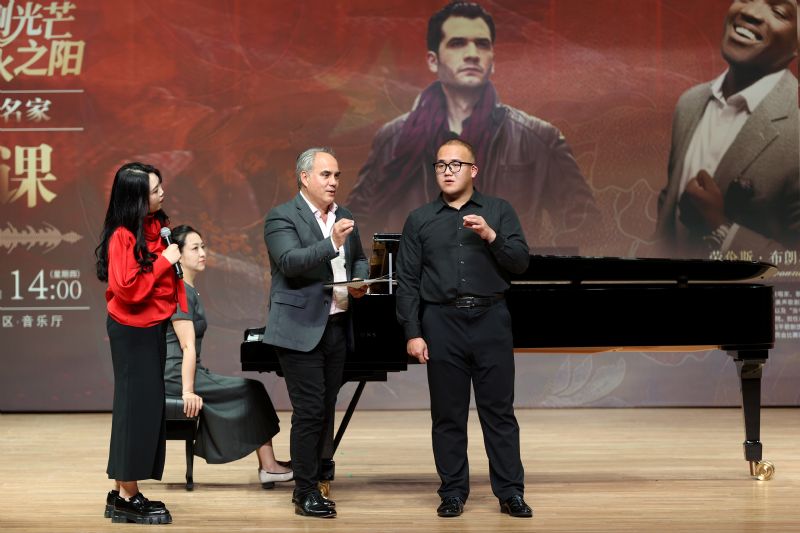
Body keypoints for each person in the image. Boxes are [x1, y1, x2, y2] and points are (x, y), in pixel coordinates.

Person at [348, 1, 598, 249]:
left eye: (482, 44)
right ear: (433, 60)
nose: (472, 53)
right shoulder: (392, 139)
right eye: (457, 43)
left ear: (493, 60)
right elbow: (358, 225)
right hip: (419, 271)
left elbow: (587, 229)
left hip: (502, 271)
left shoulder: (540, 139)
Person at [396, 138, 533, 518]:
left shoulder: (499, 211)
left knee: (499, 413)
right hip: (441, 322)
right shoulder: (420, 219)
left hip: (491, 319)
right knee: (447, 415)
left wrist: (490, 235)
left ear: (473, 170)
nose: (447, 171)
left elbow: (520, 263)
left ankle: (510, 493)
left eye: (456, 164)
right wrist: (412, 332)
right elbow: (407, 281)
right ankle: (453, 492)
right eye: (441, 165)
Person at [263, 147, 369, 518]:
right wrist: (332, 243)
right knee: (309, 411)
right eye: (326, 175)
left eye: (337, 175)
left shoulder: (345, 215)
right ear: (304, 178)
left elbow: (359, 258)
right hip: (300, 329)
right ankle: (304, 492)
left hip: (337, 326)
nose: (334, 182)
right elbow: (290, 262)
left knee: (323, 410)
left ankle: (319, 479)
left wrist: (358, 279)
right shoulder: (281, 217)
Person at [656, 0, 799, 259]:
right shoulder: (689, 103)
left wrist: (720, 227)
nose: (750, 12)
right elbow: (668, 207)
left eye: (778, 11)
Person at [164, 225, 292, 487]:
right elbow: (186, 347)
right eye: (195, 248)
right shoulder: (179, 291)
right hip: (176, 374)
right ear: (178, 254)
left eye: (203, 247)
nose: (203, 253)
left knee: (252, 389)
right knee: (251, 389)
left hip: (189, 370)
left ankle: (268, 464)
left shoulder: (189, 289)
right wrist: (187, 391)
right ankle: (268, 466)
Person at [94, 162, 187, 525]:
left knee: (143, 409)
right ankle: (127, 496)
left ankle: (122, 491)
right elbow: (128, 289)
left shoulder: (154, 226)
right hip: (132, 330)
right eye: (155, 190)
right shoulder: (122, 236)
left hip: (151, 325)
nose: (163, 193)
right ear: (136, 198)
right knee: (135, 410)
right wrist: (164, 261)